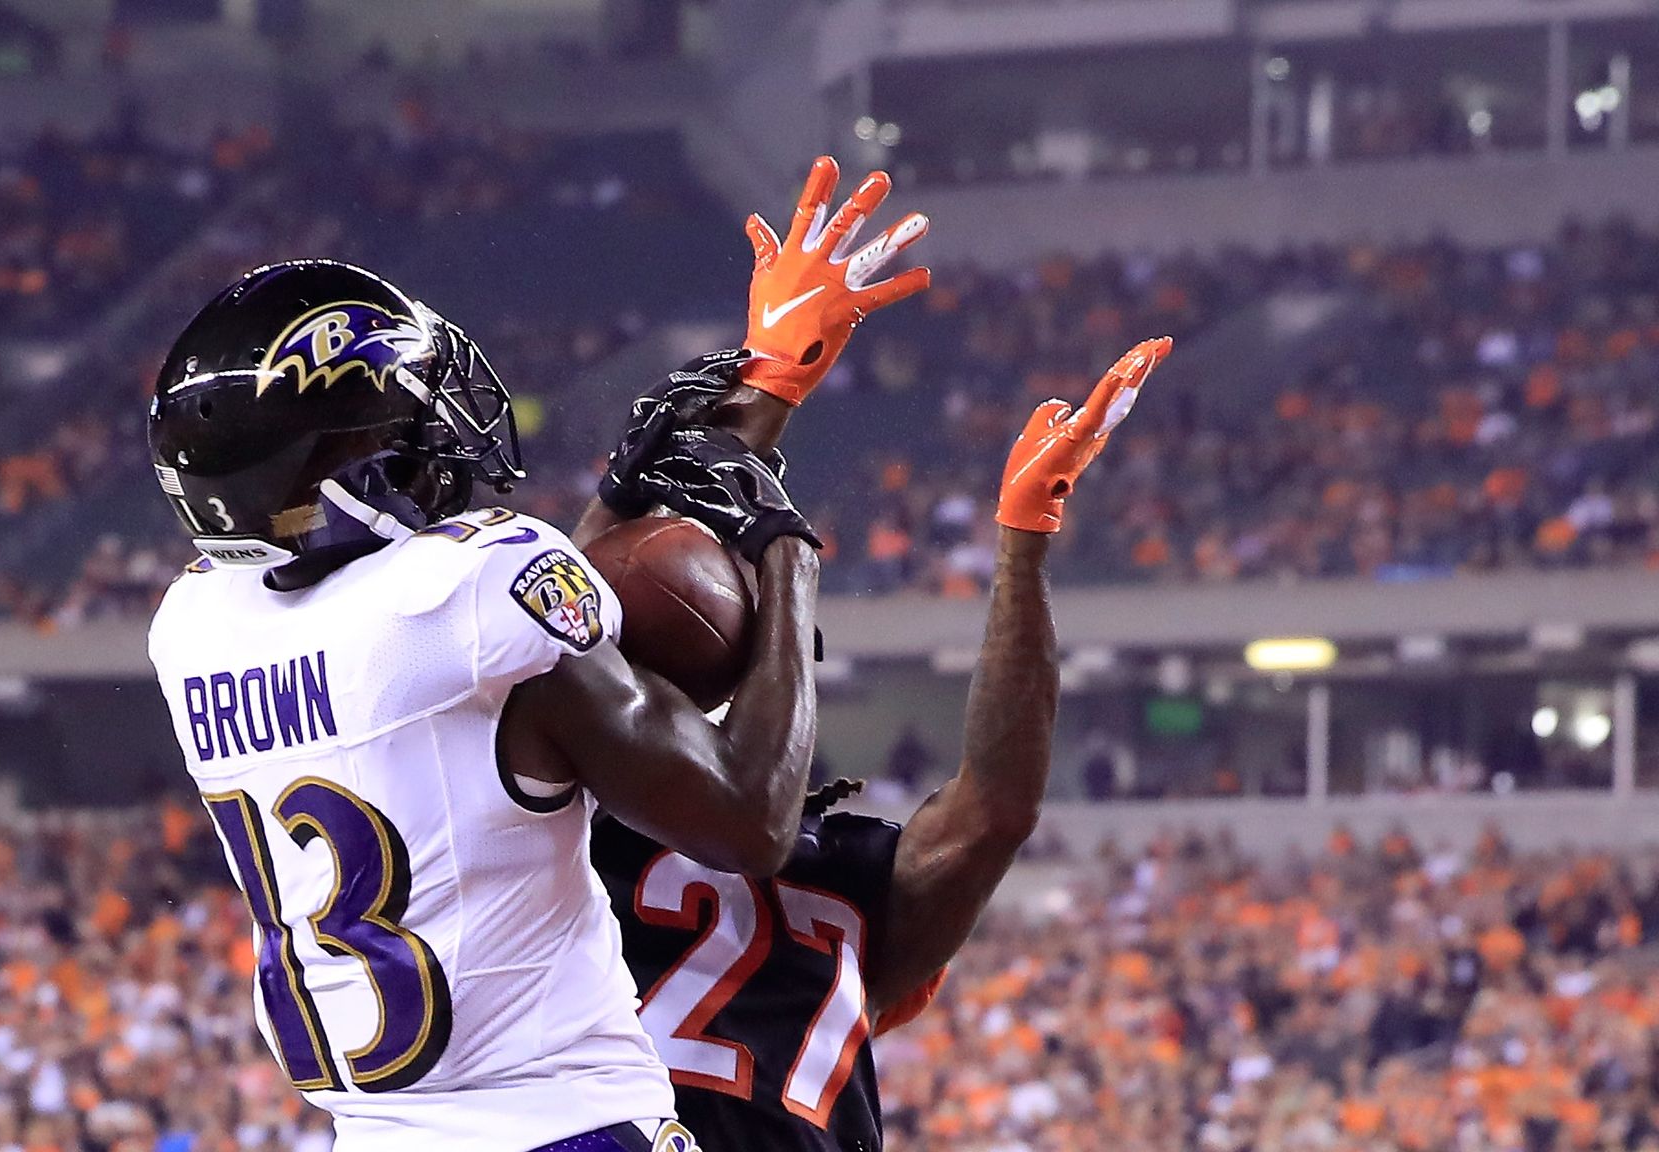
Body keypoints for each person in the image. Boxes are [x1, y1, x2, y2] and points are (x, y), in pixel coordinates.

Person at [144, 259, 830, 1151]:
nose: (438, 424)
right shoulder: (474, 595)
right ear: (349, 463)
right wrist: (790, 558)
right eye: (408, 410)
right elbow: (749, 820)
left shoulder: (194, 626)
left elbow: (481, 672)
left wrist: (629, 494)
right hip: (562, 1125)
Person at [578, 159, 1170, 1150]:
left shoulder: (556, 828)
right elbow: (996, 809)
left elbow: (558, 622)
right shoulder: (843, 883)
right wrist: (1021, 549)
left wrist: (763, 389)